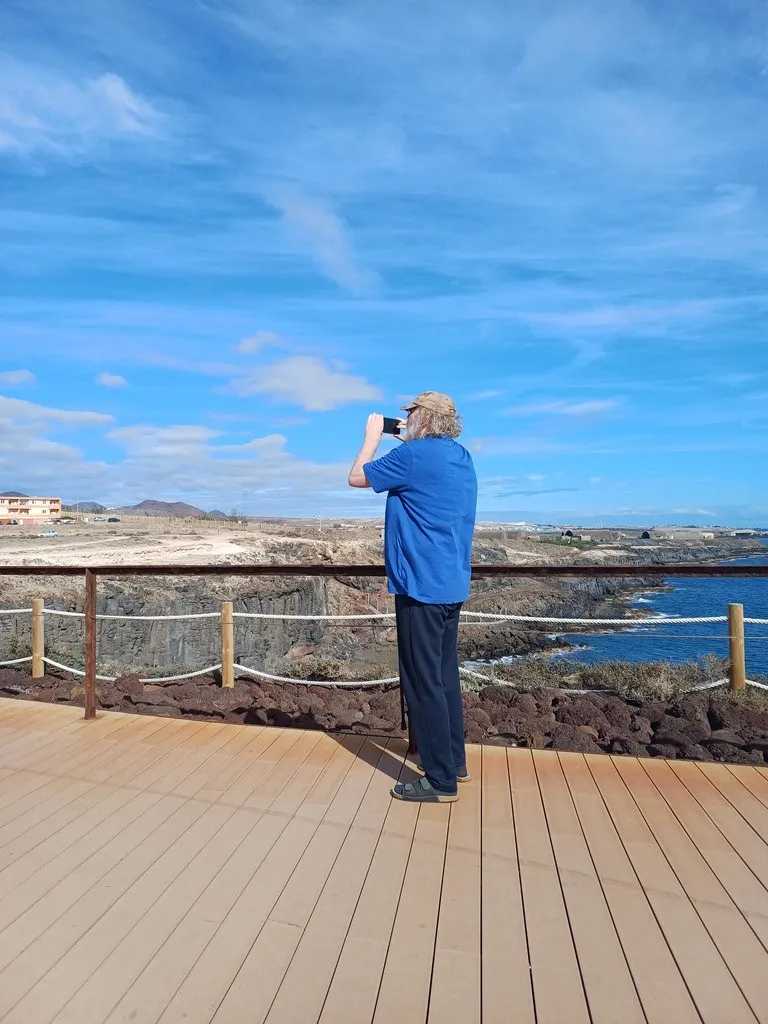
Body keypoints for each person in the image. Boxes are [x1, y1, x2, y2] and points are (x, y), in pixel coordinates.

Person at [348, 392, 477, 802]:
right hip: (449, 583)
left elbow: (357, 477)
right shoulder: (459, 455)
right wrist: (410, 440)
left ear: (424, 418)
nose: (405, 418)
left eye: (411, 413)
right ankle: (453, 763)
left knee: (422, 682)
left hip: (420, 585)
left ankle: (440, 782)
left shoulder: (414, 456)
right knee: (443, 677)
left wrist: (372, 437)